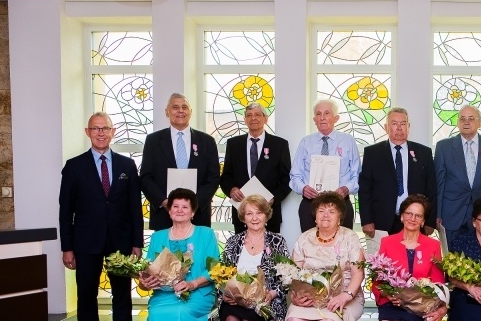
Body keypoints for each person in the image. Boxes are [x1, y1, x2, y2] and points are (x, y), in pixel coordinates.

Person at [58, 112, 144, 321]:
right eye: (96, 129)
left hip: (121, 243)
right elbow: (65, 211)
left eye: (105, 128)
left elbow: (134, 208)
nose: (101, 133)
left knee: (121, 296)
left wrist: (137, 243)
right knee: (86, 296)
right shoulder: (74, 166)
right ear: (87, 132)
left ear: (113, 131)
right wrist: (67, 247)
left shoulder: (127, 166)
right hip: (86, 243)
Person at [286, 192, 365, 321]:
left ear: (340, 216)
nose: (326, 215)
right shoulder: (304, 238)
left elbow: (358, 273)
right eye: (321, 211)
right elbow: (294, 274)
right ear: (314, 216)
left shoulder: (350, 238)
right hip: (309, 297)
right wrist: (296, 295)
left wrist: (345, 296)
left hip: (345, 296)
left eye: (332, 211)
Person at [138, 188, 219, 321]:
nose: (180, 210)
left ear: (193, 212)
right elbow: (148, 270)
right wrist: (144, 282)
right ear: (169, 211)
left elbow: (215, 270)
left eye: (185, 207)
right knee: (156, 313)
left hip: (198, 292)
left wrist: (192, 284)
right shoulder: (158, 237)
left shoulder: (205, 233)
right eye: (176, 206)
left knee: (181, 312)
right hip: (164, 293)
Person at [375, 195, 446, 321]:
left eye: (418, 216)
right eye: (409, 214)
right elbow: (379, 277)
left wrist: (436, 306)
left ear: (423, 221)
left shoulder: (432, 246)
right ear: (402, 216)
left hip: (419, 304)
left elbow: (438, 282)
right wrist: (390, 294)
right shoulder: (387, 242)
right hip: (393, 301)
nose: (413, 219)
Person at [218, 194, 289, 321]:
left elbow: (288, 276)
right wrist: (225, 292)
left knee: (250, 317)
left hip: (264, 299)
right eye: (249, 213)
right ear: (243, 217)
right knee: (231, 318)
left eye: (259, 212)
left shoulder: (277, 241)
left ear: (267, 215)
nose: (255, 217)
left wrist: (273, 293)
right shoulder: (233, 242)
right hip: (234, 299)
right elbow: (221, 274)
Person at [140, 93, 220, 230]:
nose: (180, 111)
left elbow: (213, 177)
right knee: (164, 252)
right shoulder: (153, 141)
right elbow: (146, 177)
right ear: (167, 112)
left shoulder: (207, 141)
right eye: (175, 107)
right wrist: (165, 202)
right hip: (164, 215)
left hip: (198, 216)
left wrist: (193, 205)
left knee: (197, 252)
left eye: (184, 107)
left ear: (191, 112)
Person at [359, 108, 436, 236]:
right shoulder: (372, 153)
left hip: (415, 220)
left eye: (403, 123)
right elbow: (365, 189)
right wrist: (366, 220)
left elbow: (432, 189)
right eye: (394, 124)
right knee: (383, 256)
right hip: (381, 221)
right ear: (386, 127)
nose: (399, 128)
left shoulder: (424, 153)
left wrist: (430, 221)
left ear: (409, 126)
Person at [434, 105, 481, 246]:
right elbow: (439, 184)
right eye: (463, 119)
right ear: (458, 122)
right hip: (451, 215)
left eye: (471, 118)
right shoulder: (443, 147)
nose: (466, 122)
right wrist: (437, 214)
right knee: (453, 262)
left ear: (480, 122)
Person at [289, 99, 360, 232]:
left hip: (340, 202)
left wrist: (346, 188)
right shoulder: (305, 142)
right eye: (318, 114)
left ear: (336, 118)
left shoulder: (348, 141)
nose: (322, 117)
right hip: (310, 203)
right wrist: (303, 188)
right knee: (310, 246)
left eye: (327, 113)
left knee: (341, 247)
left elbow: (357, 174)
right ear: (314, 119)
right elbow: (295, 176)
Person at [219, 103, 291, 234]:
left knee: (270, 253)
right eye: (249, 115)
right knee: (241, 252)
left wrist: (273, 198)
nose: (253, 118)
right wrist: (231, 189)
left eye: (258, 115)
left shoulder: (279, 144)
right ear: (245, 120)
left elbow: (287, 179)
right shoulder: (233, 144)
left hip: (269, 213)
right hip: (241, 212)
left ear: (266, 118)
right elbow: (226, 177)